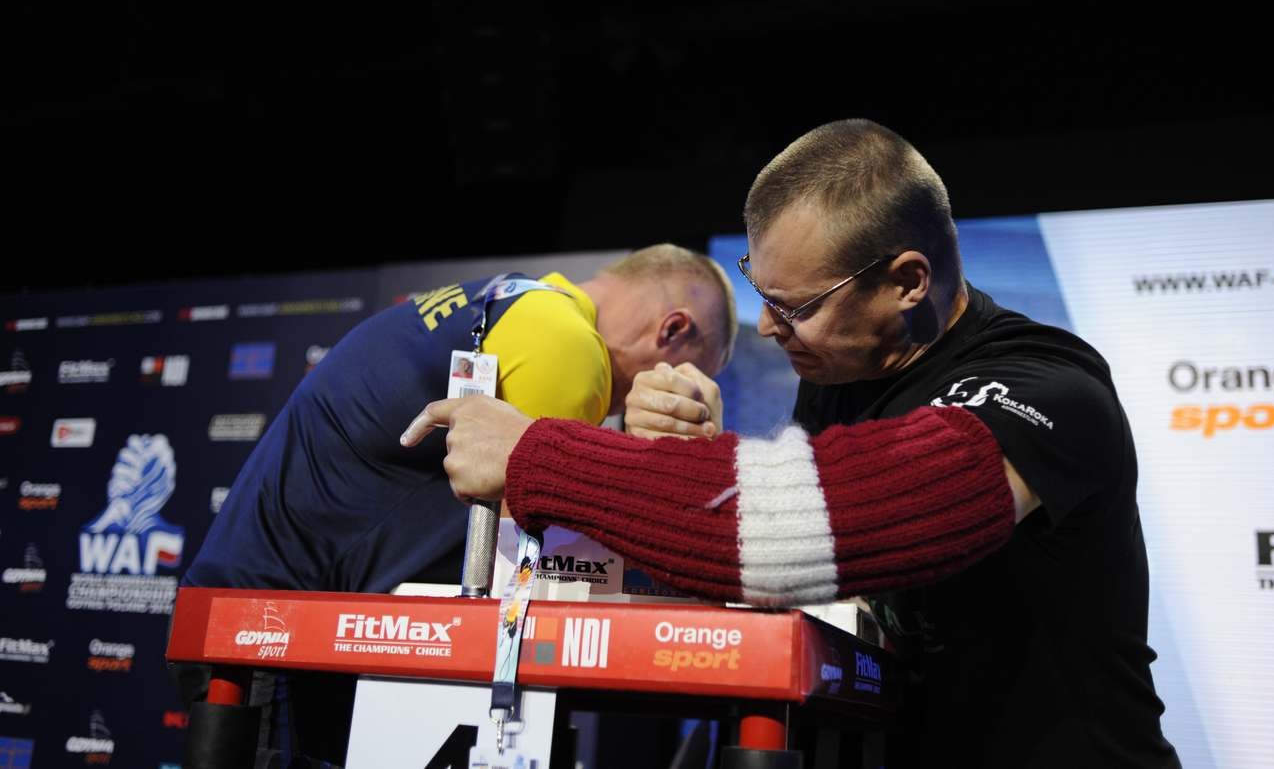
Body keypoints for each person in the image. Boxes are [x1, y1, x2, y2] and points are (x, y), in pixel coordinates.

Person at [408, 120, 1181, 768]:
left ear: (908, 281)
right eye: (759, 291)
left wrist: (535, 455)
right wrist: (688, 454)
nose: (769, 328)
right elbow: (809, 578)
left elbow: (813, 527)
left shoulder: (1050, 386)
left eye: (793, 305)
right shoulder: (841, 376)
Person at [176, 243, 736, 764]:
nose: (658, 399)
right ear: (672, 330)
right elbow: (537, 568)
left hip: (261, 625)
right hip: (275, 645)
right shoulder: (566, 347)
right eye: (684, 378)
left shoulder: (513, 302)